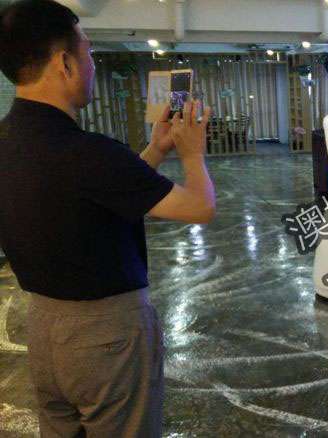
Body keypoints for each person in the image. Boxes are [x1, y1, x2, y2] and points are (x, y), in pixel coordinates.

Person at [0, 1, 216, 436]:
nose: (93, 65)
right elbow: (200, 207)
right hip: (106, 335)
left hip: (42, 326)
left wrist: (156, 150)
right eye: (89, 52)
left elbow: (101, 193)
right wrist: (192, 153)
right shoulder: (87, 151)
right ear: (64, 63)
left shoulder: (9, 140)